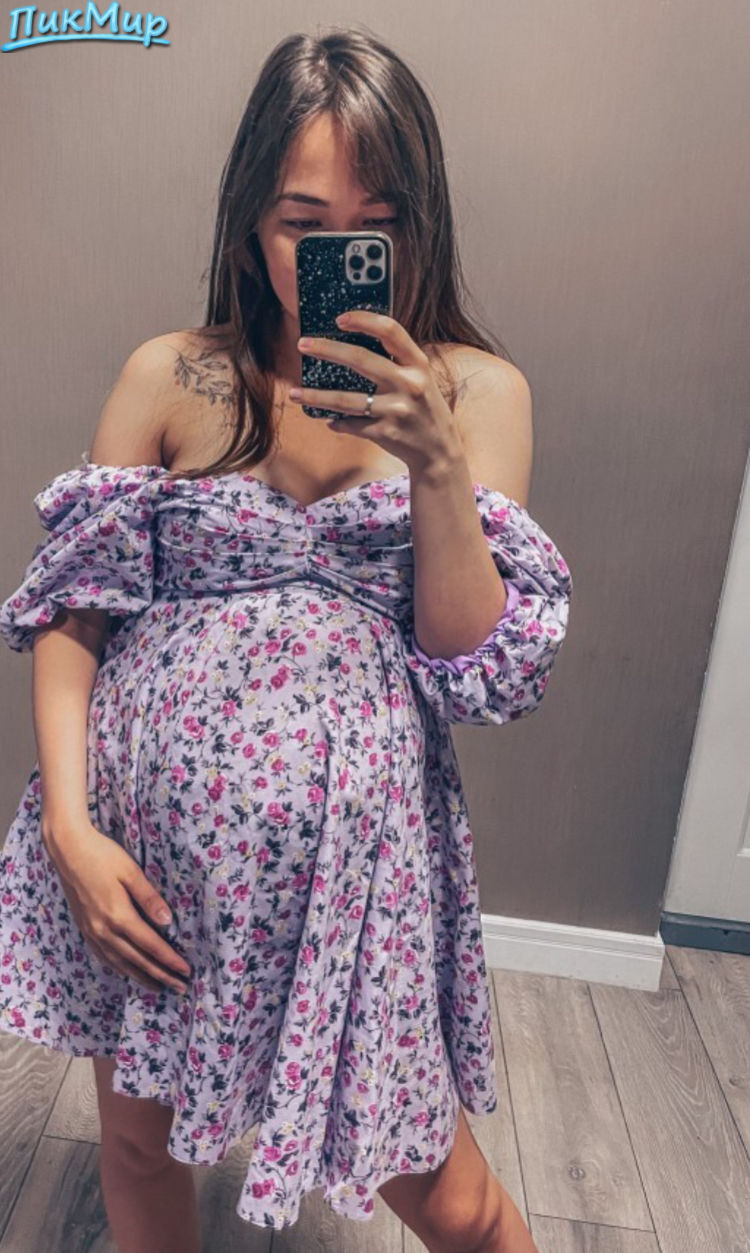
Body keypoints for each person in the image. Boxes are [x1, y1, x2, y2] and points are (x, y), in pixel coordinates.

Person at [0, 27, 571, 1253]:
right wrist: (70, 830)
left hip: (353, 882)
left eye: (375, 224)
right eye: (301, 223)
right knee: (138, 1149)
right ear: (250, 223)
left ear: (420, 223)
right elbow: (74, 610)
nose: (333, 256)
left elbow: (480, 669)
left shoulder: (480, 395)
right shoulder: (170, 374)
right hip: (146, 858)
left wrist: (437, 468)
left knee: (456, 1204)